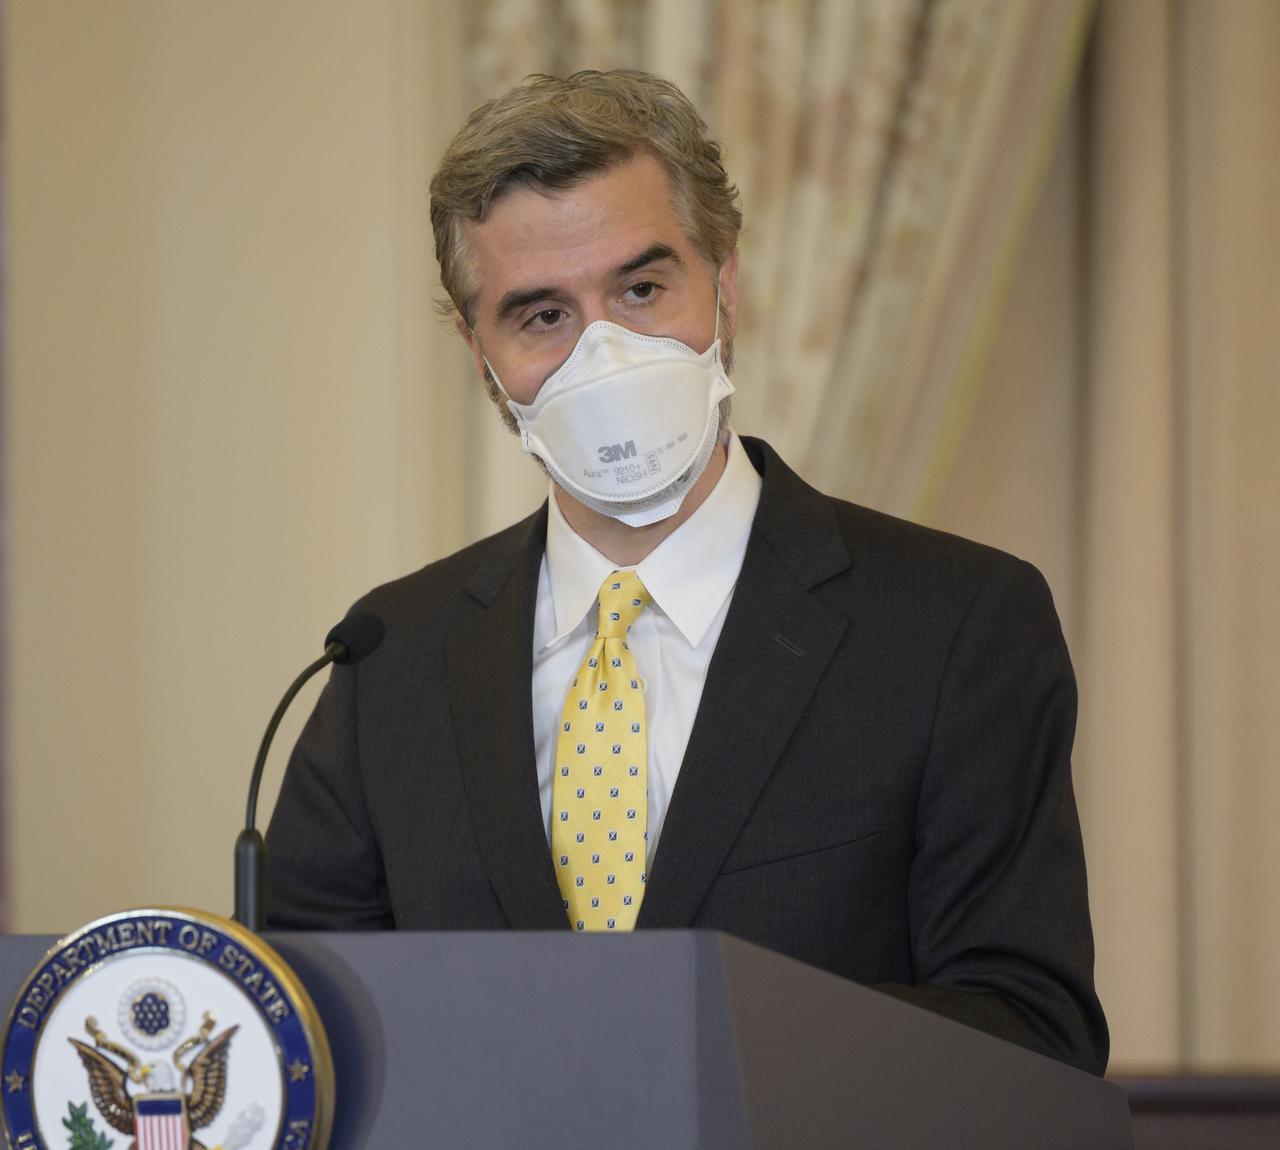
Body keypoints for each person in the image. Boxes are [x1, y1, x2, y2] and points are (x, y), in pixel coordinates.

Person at [266, 69, 1108, 1075]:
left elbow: (1027, 1030)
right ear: (478, 350)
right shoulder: (386, 660)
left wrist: (692, 1054)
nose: (603, 355)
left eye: (640, 288)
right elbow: (300, 1034)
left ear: (724, 279)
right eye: (541, 316)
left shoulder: (956, 625)